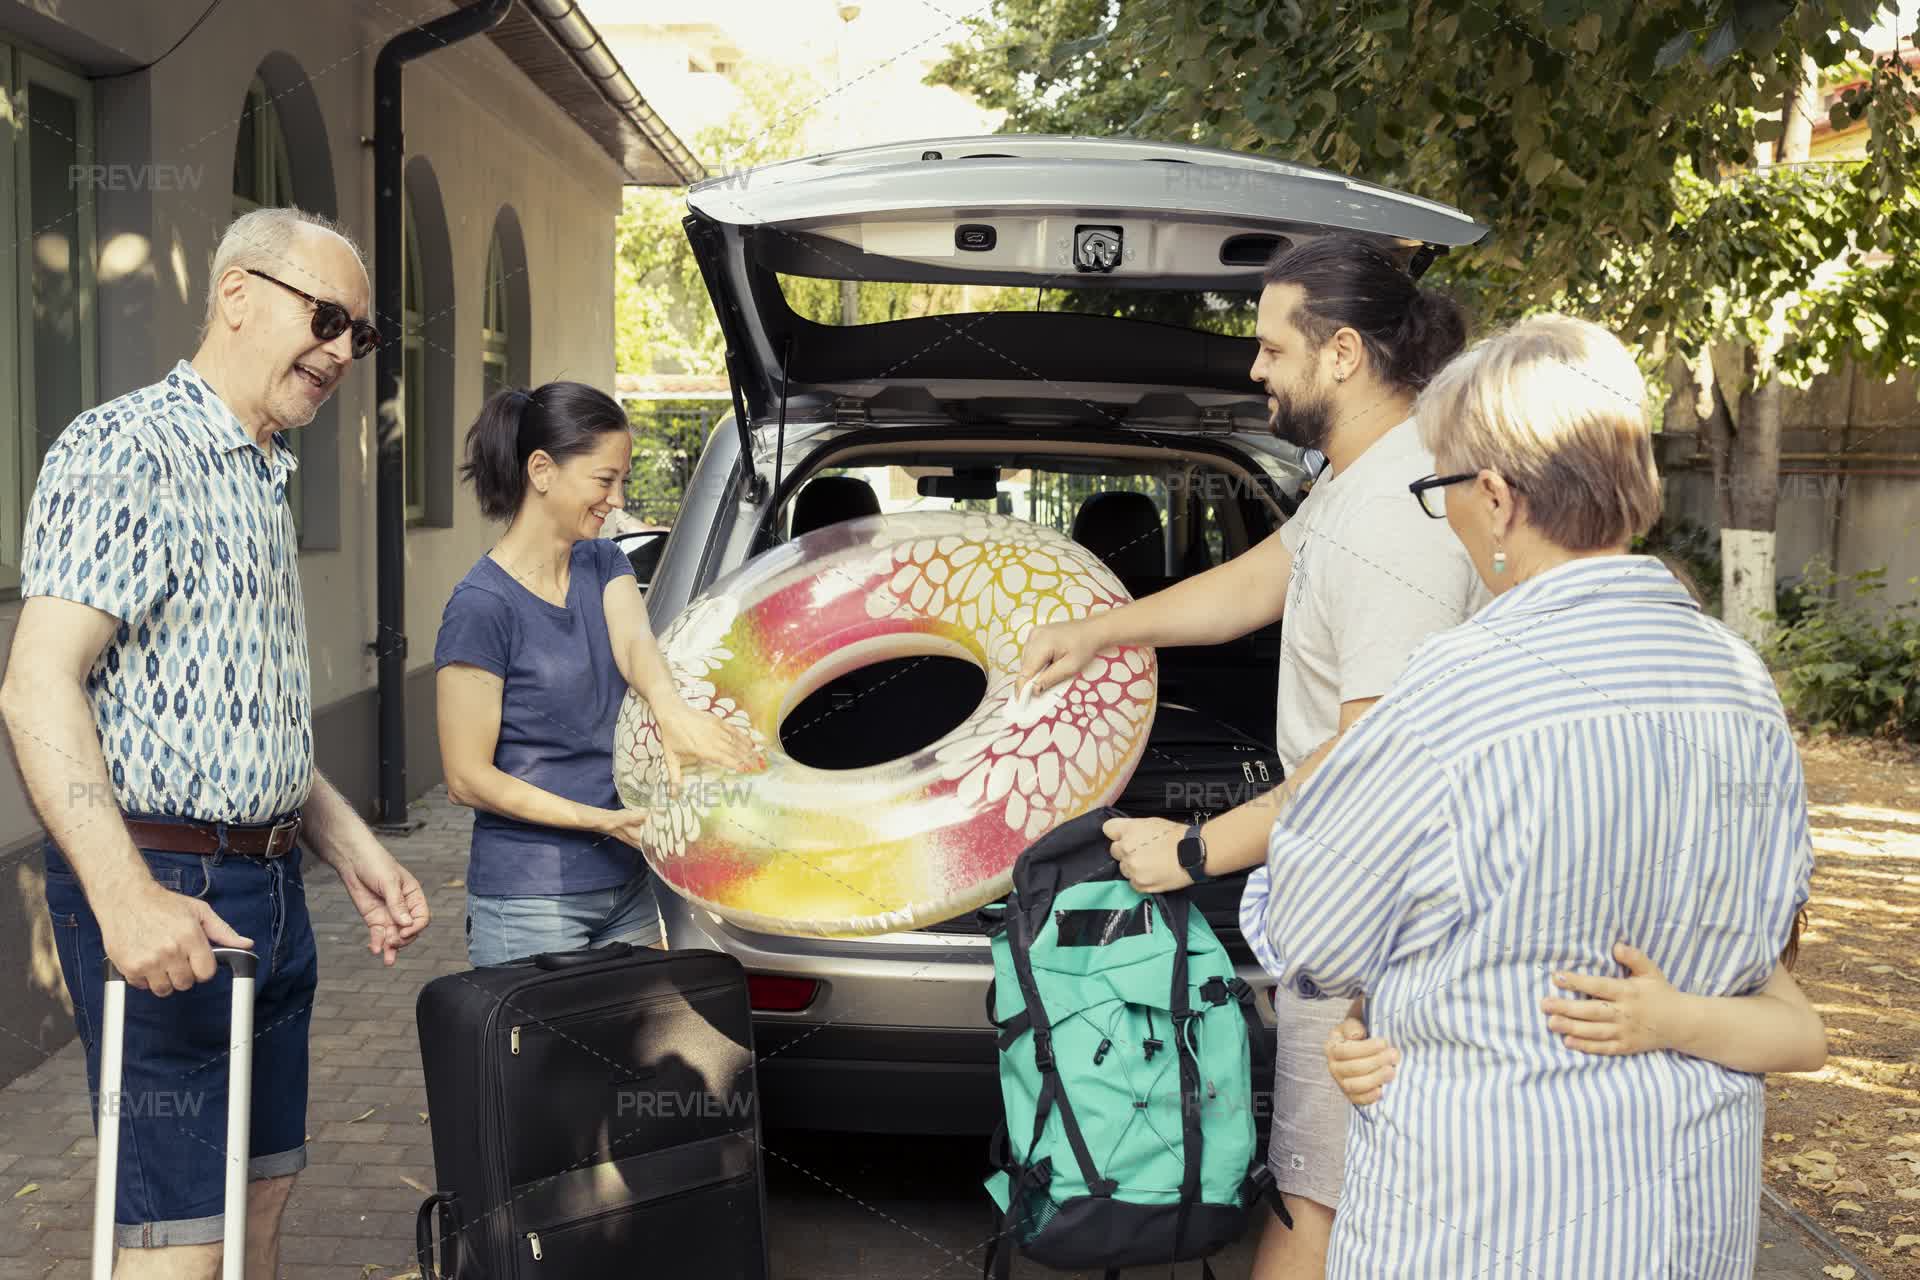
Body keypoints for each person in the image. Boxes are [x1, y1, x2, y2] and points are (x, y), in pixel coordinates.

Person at [1247, 313, 1816, 1277]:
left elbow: (1315, 936)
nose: (1448, 515)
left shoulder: (1450, 692)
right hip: (1688, 1221)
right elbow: (1771, 944)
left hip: (1482, 1211)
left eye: (1441, 489)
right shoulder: (1743, 681)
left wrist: (1365, 1007)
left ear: (1499, 498)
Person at [1017, 234, 1485, 1276]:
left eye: (1274, 346)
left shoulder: (1396, 518)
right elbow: (1252, 585)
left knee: (1312, 1199)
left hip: (1381, 912)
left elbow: (1374, 755)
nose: (1255, 367)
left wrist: (1198, 849)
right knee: (1338, 1186)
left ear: (1345, 354)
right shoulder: (1359, 486)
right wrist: (1101, 630)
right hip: (1359, 897)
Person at [0, 207, 431, 1277]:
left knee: (258, 1195)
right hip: (169, 884)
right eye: (327, 317)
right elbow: (34, 687)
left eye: (359, 335)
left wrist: (346, 843)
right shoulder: (125, 448)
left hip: (271, 891)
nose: (341, 349)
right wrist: (125, 895)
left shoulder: (261, 469)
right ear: (237, 294)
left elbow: (239, 718)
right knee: (178, 1237)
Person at [435, 382, 761, 967]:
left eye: (622, 481)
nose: (616, 497)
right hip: (530, 897)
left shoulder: (602, 560)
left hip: (625, 885)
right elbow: (465, 778)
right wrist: (599, 821)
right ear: (542, 470)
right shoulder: (482, 605)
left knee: (634, 1056)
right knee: (549, 1061)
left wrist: (675, 713)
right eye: (604, 479)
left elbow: (636, 645)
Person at [1324, 933, 1825, 1104]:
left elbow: (1804, 1038)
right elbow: (1376, 1002)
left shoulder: (1703, 894)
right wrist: (1357, 1039)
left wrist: (1677, 1020)